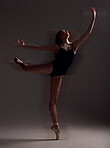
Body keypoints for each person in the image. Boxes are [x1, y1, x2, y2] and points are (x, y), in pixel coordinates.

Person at [14, 8, 96, 140]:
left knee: (53, 101)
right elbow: (39, 48)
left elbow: (88, 33)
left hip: (60, 75)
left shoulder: (74, 46)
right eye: (64, 31)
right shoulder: (57, 47)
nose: (66, 31)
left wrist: (93, 17)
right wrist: (24, 46)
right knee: (26, 69)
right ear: (59, 36)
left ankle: (55, 126)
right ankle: (22, 63)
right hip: (53, 68)